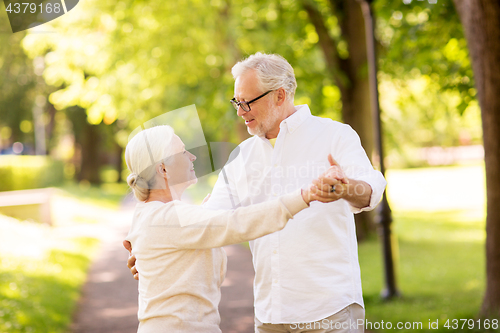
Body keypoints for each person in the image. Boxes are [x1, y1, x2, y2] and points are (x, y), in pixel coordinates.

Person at [126, 52, 387, 332]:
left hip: (328, 310)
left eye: (247, 102)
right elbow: (214, 222)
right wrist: (154, 251)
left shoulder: (334, 135)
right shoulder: (243, 156)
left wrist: (346, 188)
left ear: (280, 96)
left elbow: (371, 190)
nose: (240, 111)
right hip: (270, 315)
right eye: (236, 102)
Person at [123, 124, 342, 333]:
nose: (192, 156)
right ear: (163, 168)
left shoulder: (152, 214)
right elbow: (239, 222)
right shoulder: (170, 219)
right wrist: (305, 195)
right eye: (182, 152)